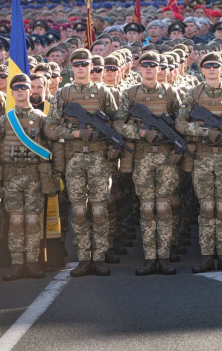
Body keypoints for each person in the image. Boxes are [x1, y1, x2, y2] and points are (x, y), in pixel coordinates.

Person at [45, 48, 118, 277]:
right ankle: (84, 259)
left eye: (85, 64)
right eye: (76, 64)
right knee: (78, 211)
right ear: (71, 67)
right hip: (74, 158)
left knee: (99, 210)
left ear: (90, 66)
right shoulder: (64, 94)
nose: (81, 68)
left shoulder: (104, 92)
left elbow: (115, 125)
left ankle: (99, 257)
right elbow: (50, 127)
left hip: (98, 158)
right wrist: (75, 134)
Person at [114, 52, 183, 276]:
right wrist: (141, 132)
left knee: (163, 208)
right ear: (139, 68)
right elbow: (118, 125)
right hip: (142, 156)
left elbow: (180, 123)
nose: (151, 69)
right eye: (146, 65)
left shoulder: (171, 92)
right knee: (146, 209)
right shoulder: (130, 94)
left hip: (165, 158)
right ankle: (149, 258)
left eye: (155, 65)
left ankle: (163, 257)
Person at [175, 52, 222, 274]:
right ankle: (206, 256)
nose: (213, 69)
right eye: (208, 66)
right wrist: (204, 131)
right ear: (202, 70)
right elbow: (181, 123)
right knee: (206, 208)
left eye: (216, 65)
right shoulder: (193, 93)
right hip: (203, 157)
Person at [1, 74, 55, 281]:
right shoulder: (5, 120)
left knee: (33, 221)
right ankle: (17, 263)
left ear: (30, 90)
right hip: (11, 177)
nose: (21, 90)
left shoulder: (42, 119)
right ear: (12, 92)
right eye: (17, 88)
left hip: (34, 177)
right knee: (15, 221)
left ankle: (32, 262)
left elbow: (52, 144)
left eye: (25, 87)